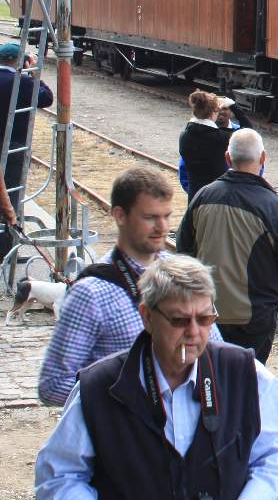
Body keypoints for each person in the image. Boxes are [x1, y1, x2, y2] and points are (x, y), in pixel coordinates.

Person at [34, 254, 278, 500]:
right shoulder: (99, 387)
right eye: (179, 320)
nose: (194, 333)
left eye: (205, 318)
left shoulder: (247, 375)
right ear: (147, 317)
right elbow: (57, 476)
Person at [39, 168, 226, 406]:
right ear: (120, 215)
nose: (162, 227)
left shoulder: (184, 274)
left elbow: (218, 355)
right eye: (150, 218)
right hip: (123, 427)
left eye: (167, 216)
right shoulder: (91, 293)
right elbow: (52, 385)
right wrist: (127, 397)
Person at [176, 128, 278, 361]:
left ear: (228, 158)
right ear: (263, 158)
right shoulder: (274, 206)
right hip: (255, 317)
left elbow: (183, 251)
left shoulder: (203, 197)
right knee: (248, 377)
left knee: (211, 376)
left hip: (208, 313)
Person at [0, 41, 53, 260]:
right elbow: (46, 98)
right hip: (13, 148)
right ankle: (7, 252)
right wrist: (34, 74)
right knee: (11, 197)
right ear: (21, 61)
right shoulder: (20, 81)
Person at [179, 90, 234, 198]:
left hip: (194, 196)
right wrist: (233, 105)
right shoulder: (222, 138)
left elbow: (183, 170)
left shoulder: (184, 136)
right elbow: (248, 130)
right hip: (216, 196)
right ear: (213, 112)